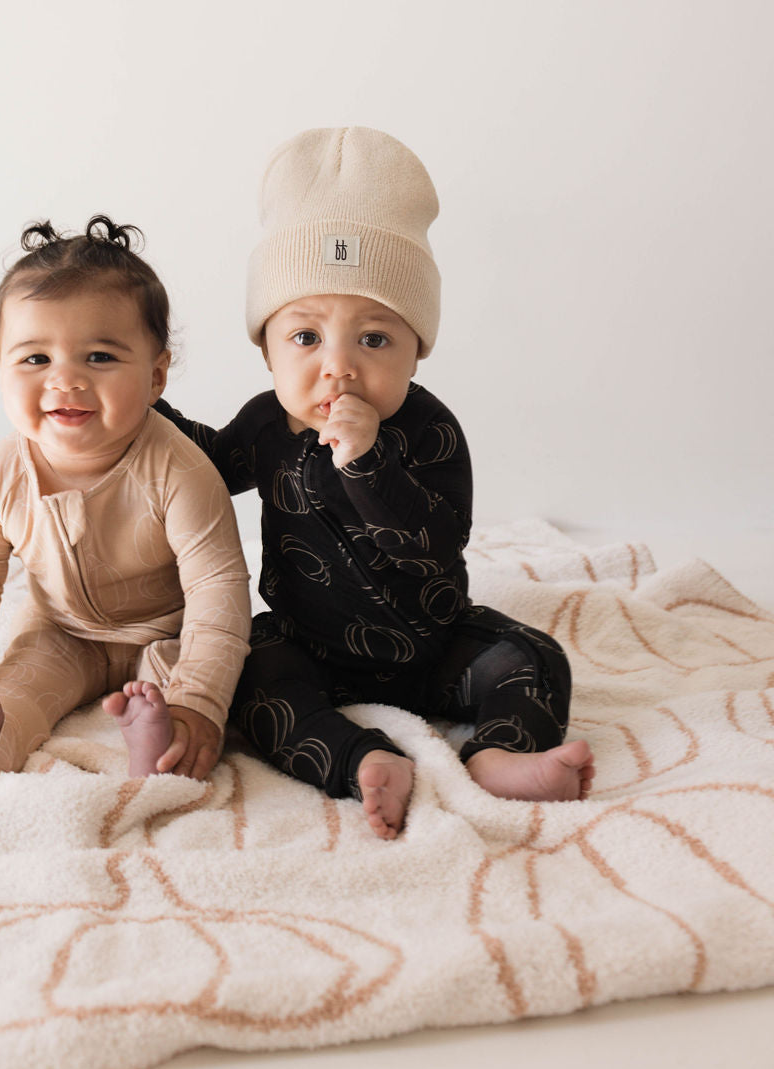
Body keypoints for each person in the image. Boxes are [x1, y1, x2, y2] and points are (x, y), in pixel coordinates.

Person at [156, 128, 593, 838]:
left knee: (534, 658)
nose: (339, 366)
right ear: (264, 347)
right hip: (306, 641)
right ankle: (361, 761)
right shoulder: (268, 424)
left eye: (374, 338)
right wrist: (147, 405)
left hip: (431, 644)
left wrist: (366, 463)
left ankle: (501, 755)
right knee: (252, 673)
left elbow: (436, 538)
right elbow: (204, 463)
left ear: (416, 351)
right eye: (306, 337)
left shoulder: (429, 430)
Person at [0, 216, 252, 780]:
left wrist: (199, 701)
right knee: (19, 685)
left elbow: (217, 589)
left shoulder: (179, 470)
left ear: (156, 376)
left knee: (182, 688)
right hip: (63, 633)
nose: (65, 380)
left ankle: (161, 742)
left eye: (99, 357)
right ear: (0, 369)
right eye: (35, 359)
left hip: (166, 632)